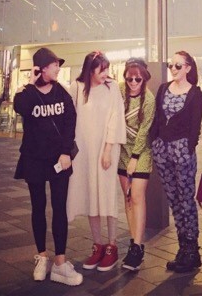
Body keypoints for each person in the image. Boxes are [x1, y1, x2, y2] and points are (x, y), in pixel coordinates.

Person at [12, 48, 83, 286]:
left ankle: (60, 262)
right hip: (33, 159)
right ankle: (42, 257)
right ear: (42, 69)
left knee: (59, 208)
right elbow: (20, 107)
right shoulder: (27, 93)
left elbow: (70, 122)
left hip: (58, 160)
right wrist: (30, 83)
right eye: (54, 65)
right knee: (38, 207)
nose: (58, 69)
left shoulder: (61, 92)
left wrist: (65, 152)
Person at [67, 51, 126, 271]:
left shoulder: (112, 87)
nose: (106, 74)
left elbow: (116, 117)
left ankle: (112, 245)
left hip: (105, 148)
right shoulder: (77, 87)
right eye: (102, 70)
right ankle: (97, 245)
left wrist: (108, 149)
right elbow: (68, 116)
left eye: (107, 69)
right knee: (91, 194)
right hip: (84, 150)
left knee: (107, 195)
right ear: (90, 70)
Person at [149, 50, 202, 273]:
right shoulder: (163, 88)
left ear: (188, 68)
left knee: (186, 199)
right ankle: (183, 248)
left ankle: (192, 250)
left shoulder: (195, 93)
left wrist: (188, 147)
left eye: (178, 66)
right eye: (171, 65)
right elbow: (157, 118)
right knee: (173, 198)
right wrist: (154, 142)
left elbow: (195, 126)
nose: (173, 69)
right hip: (162, 150)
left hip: (183, 151)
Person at [117, 58, 156, 271]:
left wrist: (134, 158)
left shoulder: (148, 99)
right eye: (129, 78)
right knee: (128, 198)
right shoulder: (119, 91)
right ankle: (133, 242)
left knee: (137, 197)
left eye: (137, 79)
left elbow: (144, 131)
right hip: (122, 150)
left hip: (140, 153)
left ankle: (138, 247)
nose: (133, 82)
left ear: (144, 79)